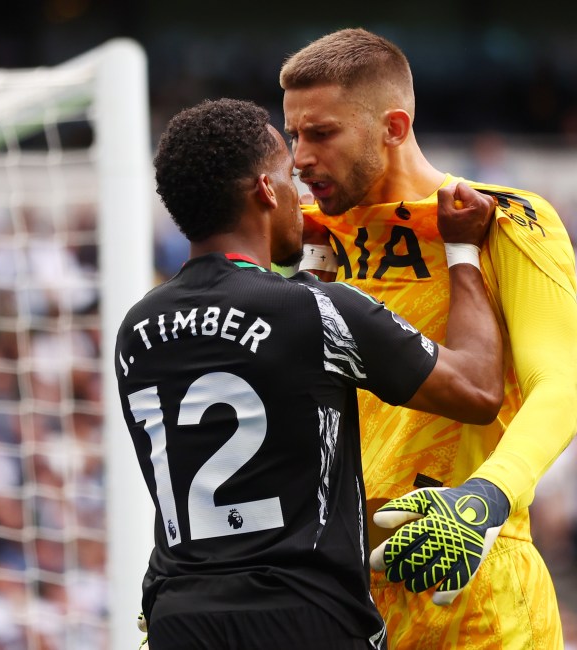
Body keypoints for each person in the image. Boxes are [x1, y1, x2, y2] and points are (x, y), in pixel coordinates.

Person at [115, 97, 506, 650]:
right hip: (305, 618)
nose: (302, 196)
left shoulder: (137, 328)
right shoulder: (316, 312)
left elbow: (270, 371)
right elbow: (477, 387)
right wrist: (462, 248)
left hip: (180, 620)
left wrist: (313, 263)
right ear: (266, 191)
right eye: (288, 180)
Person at [280, 28, 577, 649]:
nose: (300, 158)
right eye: (294, 136)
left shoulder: (502, 217)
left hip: (472, 581)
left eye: (322, 134)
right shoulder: (318, 243)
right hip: (346, 593)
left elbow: (556, 390)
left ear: (393, 127)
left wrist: (483, 502)